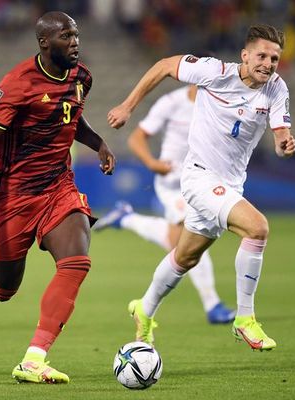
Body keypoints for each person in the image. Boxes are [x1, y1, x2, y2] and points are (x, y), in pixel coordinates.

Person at [0, 11, 115, 384]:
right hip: (14, 194)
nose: (75, 42)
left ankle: (34, 358)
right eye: (66, 36)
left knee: (77, 261)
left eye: (76, 34)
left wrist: (99, 144)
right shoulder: (18, 83)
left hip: (58, 186)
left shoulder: (82, 77)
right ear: (45, 43)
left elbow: (70, 117)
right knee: (3, 289)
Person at [108, 24, 295, 351]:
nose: (268, 63)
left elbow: (280, 133)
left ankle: (145, 307)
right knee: (257, 229)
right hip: (198, 177)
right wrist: (127, 106)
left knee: (185, 256)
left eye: (275, 58)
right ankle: (245, 319)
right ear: (245, 55)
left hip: (231, 185)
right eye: (262, 55)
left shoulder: (276, 89)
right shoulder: (215, 72)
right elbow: (164, 65)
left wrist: (284, 144)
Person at [93, 84, 236, 325]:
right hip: (173, 183)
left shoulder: (217, 104)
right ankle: (212, 305)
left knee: (179, 244)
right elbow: (137, 137)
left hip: (203, 180)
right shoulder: (171, 102)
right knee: (191, 237)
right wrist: (151, 163)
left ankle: (125, 217)